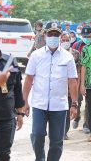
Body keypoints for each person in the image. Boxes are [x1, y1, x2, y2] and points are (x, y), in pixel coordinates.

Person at [23, 21, 78, 161]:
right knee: (37, 134)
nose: (53, 36)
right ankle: (39, 158)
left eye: (56, 34)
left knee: (57, 141)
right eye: (50, 34)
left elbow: (72, 81)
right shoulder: (36, 55)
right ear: (45, 35)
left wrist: (75, 104)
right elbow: (28, 79)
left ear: (60, 36)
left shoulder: (68, 57)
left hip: (59, 106)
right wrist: (24, 101)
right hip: (39, 104)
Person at [0, 28, 24, 160]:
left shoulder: (10, 60)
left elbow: (17, 88)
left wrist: (20, 113)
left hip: (6, 117)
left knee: (3, 154)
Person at [60, 32, 81, 140]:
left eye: (67, 40)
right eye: (62, 40)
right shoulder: (55, 53)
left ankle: (64, 132)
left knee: (68, 110)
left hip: (71, 88)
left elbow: (79, 71)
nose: (65, 42)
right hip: (58, 88)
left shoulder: (76, 54)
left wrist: (79, 86)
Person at [72, 25, 91, 133]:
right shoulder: (76, 45)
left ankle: (87, 124)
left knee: (89, 102)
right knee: (78, 99)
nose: (86, 38)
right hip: (78, 76)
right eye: (84, 36)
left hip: (90, 77)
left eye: (88, 36)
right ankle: (77, 116)